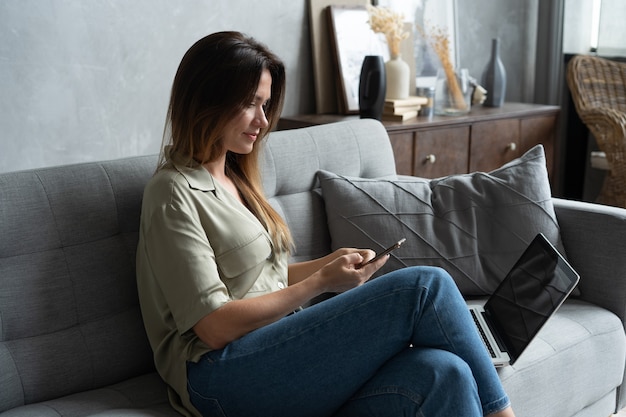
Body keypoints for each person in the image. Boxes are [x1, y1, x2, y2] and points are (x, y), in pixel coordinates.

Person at [136, 31, 516, 417]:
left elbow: (261, 282)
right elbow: (214, 326)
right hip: (220, 376)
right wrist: (320, 284)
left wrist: (329, 265)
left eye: (265, 105)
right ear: (208, 98)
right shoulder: (172, 193)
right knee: (426, 286)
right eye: (251, 104)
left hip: (276, 350)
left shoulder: (236, 177)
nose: (263, 121)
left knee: (444, 372)